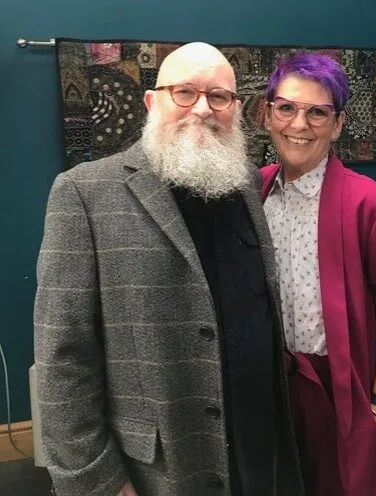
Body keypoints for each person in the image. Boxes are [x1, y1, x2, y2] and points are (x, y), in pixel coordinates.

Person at [34, 42, 304, 496]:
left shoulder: (243, 185)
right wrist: (94, 480)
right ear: (151, 100)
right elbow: (64, 354)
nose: (202, 108)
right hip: (158, 469)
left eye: (218, 97)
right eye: (184, 92)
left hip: (257, 450)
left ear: (235, 108)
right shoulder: (84, 193)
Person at [260, 52, 376, 496]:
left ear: (338, 124)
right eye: (287, 107)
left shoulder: (369, 205)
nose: (299, 123)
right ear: (268, 113)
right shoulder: (254, 193)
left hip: (337, 389)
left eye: (317, 112)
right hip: (268, 386)